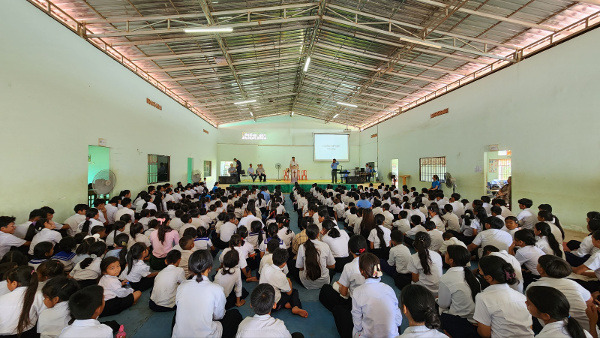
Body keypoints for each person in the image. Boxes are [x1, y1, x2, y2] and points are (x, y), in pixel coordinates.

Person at [173, 250, 243, 338]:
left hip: (179, 335)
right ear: (210, 268)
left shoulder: (181, 286)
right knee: (235, 314)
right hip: (207, 334)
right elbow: (219, 316)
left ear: (190, 268)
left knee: (178, 314)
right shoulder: (217, 289)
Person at [319, 235, 367, 338]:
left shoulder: (350, 267)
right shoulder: (374, 261)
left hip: (355, 303)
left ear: (350, 250)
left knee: (326, 290)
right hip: (372, 302)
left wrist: (341, 285)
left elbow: (344, 293)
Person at [474, 255, 533, 337]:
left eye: (480, 270)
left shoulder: (483, 297)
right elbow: (529, 326)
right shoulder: (522, 297)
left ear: (489, 278)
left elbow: (485, 334)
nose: (479, 272)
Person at [528, 255, 592, 330]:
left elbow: (531, 308)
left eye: (538, 264)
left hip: (558, 328)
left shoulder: (533, 287)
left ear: (541, 270)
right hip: (589, 327)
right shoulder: (572, 283)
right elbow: (590, 300)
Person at [351, 253, 402, 338]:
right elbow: (398, 320)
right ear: (379, 269)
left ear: (361, 270)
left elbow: (358, 325)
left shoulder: (357, 292)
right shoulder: (389, 289)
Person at [438, 245, 481, 338]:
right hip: (475, 320)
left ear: (451, 260)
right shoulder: (473, 278)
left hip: (460, 321)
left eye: (446, 253)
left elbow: (443, 304)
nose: (444, 254)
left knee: (435, 308)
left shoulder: (446, 278)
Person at [236, 284, 303, 338]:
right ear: (274, 305)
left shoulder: (243, 324)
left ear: (251, 305)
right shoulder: (279, 326)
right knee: (298, 335)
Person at [526, 286, 594, 338]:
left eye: (529, 303)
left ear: (545, 316)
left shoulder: (544, 336)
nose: (525, 303)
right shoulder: (581, 331)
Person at [260, 248, 308, 318]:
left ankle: (286, 304)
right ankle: (295, 306)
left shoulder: (265, 267)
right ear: (284, 263)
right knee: (294, 291)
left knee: (278, 289)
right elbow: (289, 292)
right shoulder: (281, 276)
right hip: (273, 306)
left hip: (261, 303)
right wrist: (288, 280)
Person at [0, 265, 44, 336]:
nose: (7, 285)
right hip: (30, 332)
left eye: (8, 282)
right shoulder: (38, 295)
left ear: (14, 283)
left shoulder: (2, 300)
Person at [295, 224, 335, 290]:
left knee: (292, 267)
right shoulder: (325, 246)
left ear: (307, 235)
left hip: (306, 283)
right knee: (332, 271)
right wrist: (322, 265)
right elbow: (332, 266)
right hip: (324, 282)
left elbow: (300, 268)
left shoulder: (302, 247)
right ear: (318, 234)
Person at [408, 231, 443, 297]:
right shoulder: (437, 255)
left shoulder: (413, 258)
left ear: (415, 244)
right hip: (439, 290)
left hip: (423, 292)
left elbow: (415, 280)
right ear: (429, 243)